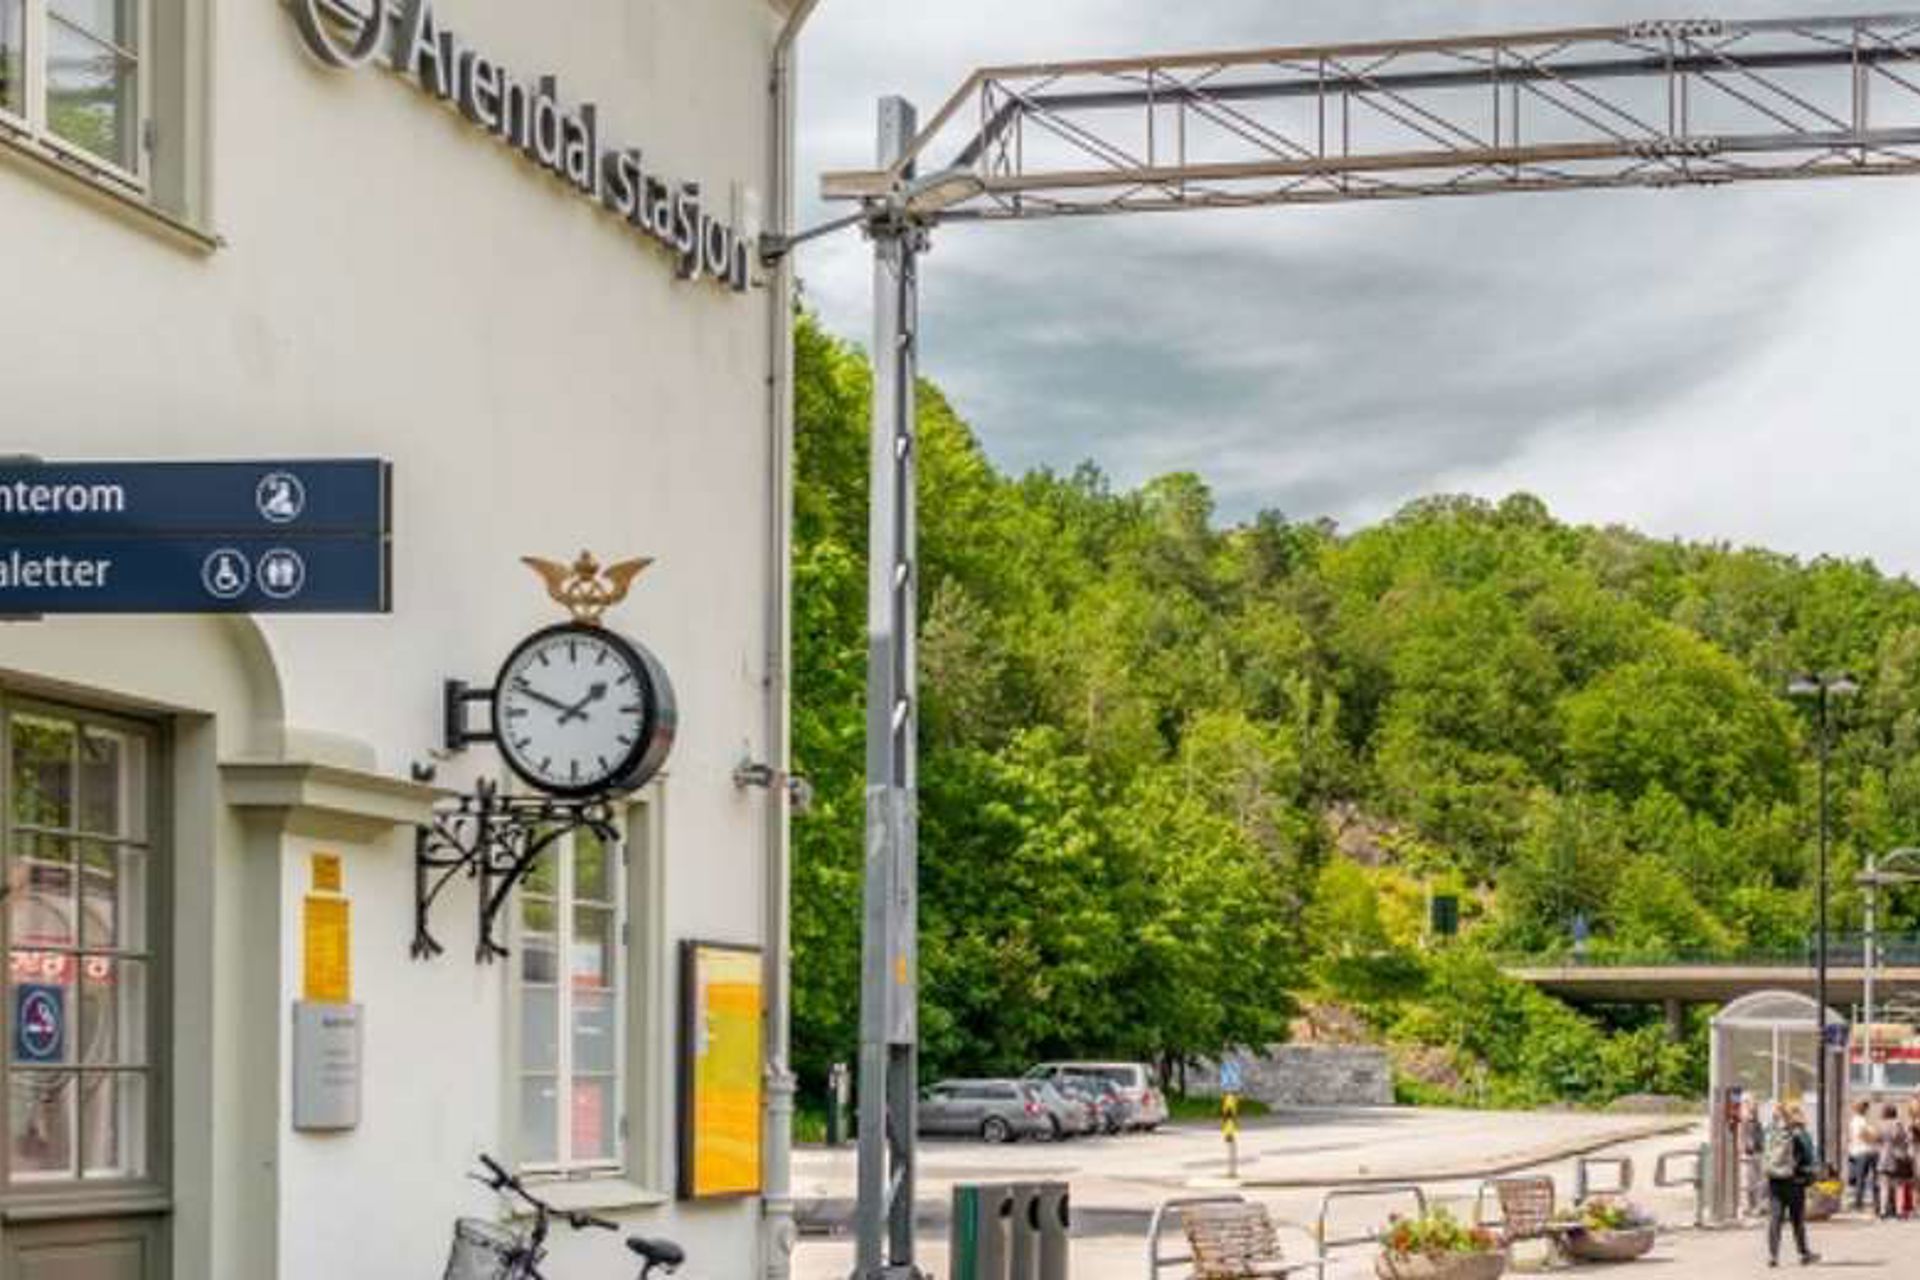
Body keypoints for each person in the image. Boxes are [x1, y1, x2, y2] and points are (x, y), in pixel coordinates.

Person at [1765, 1102, 1819, 1269]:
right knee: (1797, 1219)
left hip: (1774, 1180)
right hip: (1795, 1181)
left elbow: (1765, 1154)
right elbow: (1810, 1157)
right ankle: (1803, 1253)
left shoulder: (1771, 1133)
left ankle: (1773, 1255)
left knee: (1775, 1218)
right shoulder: (1800, 1133)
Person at [1877, 1102, 1913, 1220]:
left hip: (1884, 1158)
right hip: (1898, 1157)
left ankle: (1883, 1211)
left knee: (1884, 1186)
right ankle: (1899, 1211)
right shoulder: (1899, 1125)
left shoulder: (1880, 1125)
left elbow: (1877, 1139)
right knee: (1899, 1186)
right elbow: (1906, 1139)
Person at [1850, 1098, 1880, 1212]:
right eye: (1865, 1107)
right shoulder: (1859, 1121)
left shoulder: (1861, 1120)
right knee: (1865, 1179)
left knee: (1863, 1179)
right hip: (1864, 1151)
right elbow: (1865, 1135)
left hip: (1862, 1151)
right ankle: (1862, 1203)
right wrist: (1874, 1137)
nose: (1867, 1109)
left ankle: (1861, 1203)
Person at [1741, 1097, 1768, 1219]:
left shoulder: (1755, 1122)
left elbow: (1756, 1139)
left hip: (1757, 1153)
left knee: (1757, 1181)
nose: (1752, 1109)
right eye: (1750, 1106)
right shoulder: (1747, 1123)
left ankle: (1757, 1206)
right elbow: (1746, 1140)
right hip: (1752, 1154)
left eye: (1754, 1106)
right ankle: (1753, 1206)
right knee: (1752, 1180)